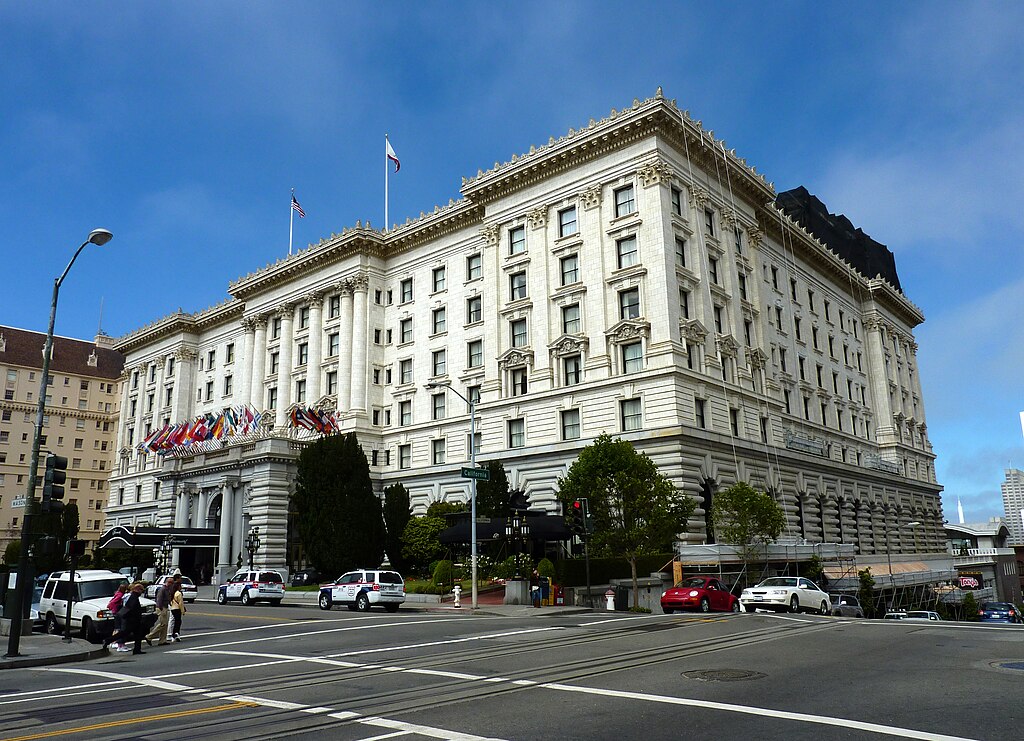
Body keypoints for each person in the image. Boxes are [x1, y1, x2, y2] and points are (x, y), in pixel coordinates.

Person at [108, 582, 146, 654]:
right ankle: (108, 641)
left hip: (132, 619)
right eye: (141, 590)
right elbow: (130, 608)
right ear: (137, 590)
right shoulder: (132, 597)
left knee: (136, 635)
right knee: (123, 633)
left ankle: (137, 649)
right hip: (132, 620)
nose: (142, 592)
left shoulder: (133, 596)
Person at [145, 576, 174, 646]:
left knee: (165, 625)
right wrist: (160, 608)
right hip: (161, 608)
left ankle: (162, 640)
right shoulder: (163, 589)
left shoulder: (168, 589)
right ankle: (149, 636)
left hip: (165, 607)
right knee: (162, 624)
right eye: (172, 583)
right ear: (169, 582)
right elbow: (159, 599)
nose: (172, 584)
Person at [104, 583, 129, 652]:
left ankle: (113, 642)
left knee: (116, 628)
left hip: (115, 611)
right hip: (117, 611)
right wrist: (111, 606)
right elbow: (113, 602)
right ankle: (114, 642)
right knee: (118, 628)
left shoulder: (118, 593)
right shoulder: (120, 595)